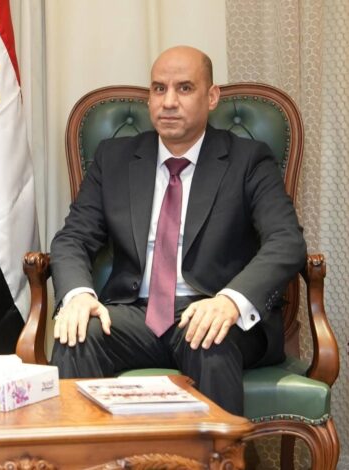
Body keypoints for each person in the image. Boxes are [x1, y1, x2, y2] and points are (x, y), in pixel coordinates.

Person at [49, 46, 306, 415]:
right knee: (76, 335)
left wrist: (230, 301)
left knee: (208, 337)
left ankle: (220, 449)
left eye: (184, 88)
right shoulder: (114, 158)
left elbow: (286, 241)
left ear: (212, 97)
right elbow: (73, 237)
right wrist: (77, 296)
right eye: (159, 88)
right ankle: (89, 449)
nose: (168, 102)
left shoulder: (248, 159)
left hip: (212, 308)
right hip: (134, 314)